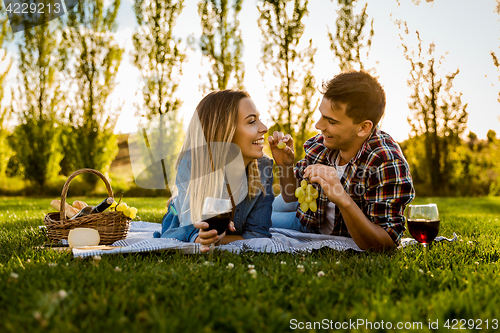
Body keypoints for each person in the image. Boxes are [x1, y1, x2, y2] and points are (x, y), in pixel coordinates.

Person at [269, 71, 415, 251]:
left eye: (331, 121)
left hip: (321, 230)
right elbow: (290, 195)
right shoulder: (321, 144)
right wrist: (285, 166)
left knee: (256, 220)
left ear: (363, 127)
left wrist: (342, 198)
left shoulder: (385, 162)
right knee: (255, 211)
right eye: (322, 115)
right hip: (307, 220)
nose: (318, 126)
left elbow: (387, 243)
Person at [154, 90, 274, 252]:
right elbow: (174, 233)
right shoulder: (191, 164)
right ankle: (175, 202)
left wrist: (218, 238)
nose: (265, 128)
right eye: (252, 121)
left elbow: (259, 235)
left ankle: (176, 200)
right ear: (225, 131)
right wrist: (197, 237)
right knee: (176, 209)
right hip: (179, 213)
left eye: (259, 119)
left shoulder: (264, 166)